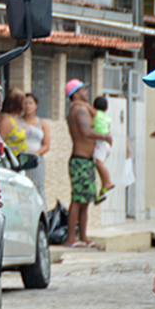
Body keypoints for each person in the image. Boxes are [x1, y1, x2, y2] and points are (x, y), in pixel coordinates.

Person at [64, 80, 111, 249]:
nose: (86, 92)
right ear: (75, 94)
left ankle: (83, 237)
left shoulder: (80, 107)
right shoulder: (80, 110)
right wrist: (105, 137)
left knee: (85, 202)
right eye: (83, 89)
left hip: (85, 160)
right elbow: (85, 132)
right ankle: (71, 238)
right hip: (80, 160)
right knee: (77, 200)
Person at [21, 92, 50, 200]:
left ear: (36, 106)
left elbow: (46, 145)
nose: (28, 106)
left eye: (30, 103)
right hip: (20, 161)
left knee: (38, 187)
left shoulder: (41, 123)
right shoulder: (18, 122)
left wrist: (35, 154)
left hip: (36, 161)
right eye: (25, 103)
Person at [91, 95, 115, 201]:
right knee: (98, 165)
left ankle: (108, 181)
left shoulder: (95, 114)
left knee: (99, 163)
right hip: (107, 144)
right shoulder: (107, 117)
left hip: (100, 142)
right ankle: (102, 190)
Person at [0, 88, 28, 158]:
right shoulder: (6, 120)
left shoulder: (15, 118)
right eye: (24, 103)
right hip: (10, 161)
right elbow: (0, 141)